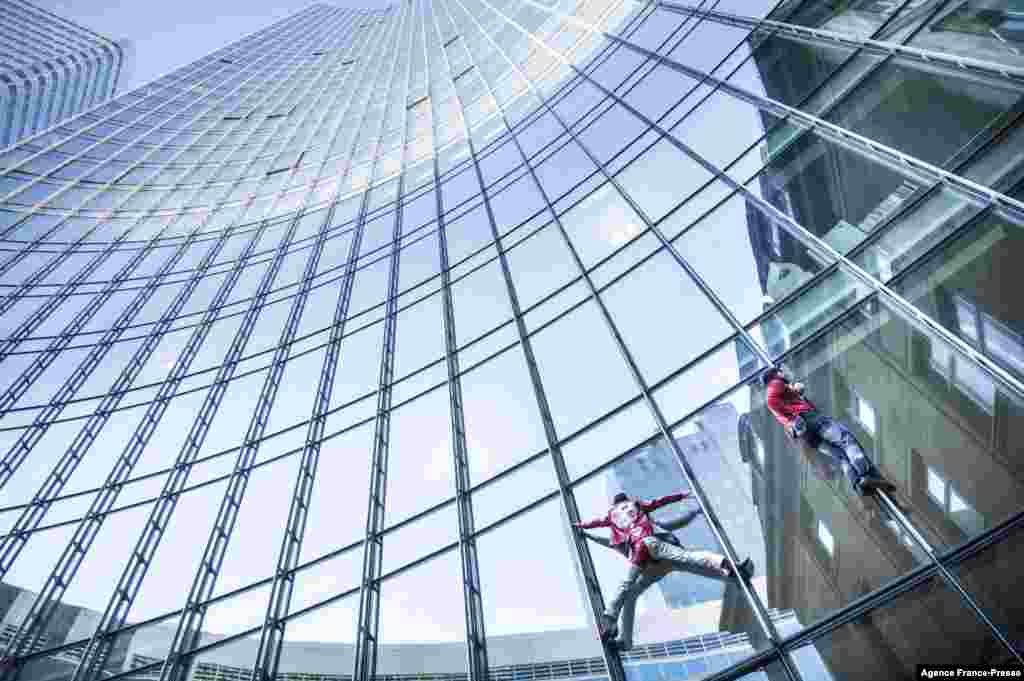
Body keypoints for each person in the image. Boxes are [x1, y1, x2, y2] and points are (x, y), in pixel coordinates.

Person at [574, 492, 753, 649]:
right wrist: (688, 506)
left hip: (652, 563)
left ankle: (624, 639)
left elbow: (607, 540)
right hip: (657, 558)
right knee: (692, 560)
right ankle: (732, 572)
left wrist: (587, 533)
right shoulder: (644, 524)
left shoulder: (627, 532)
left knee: (630, 593)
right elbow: (673, 519)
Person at [760, 367, 894, 496]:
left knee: (840, 455)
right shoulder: (775, 384)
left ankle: (859, 485)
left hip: (808, 436)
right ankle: (865, 474)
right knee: (845, 440)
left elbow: (783, 412)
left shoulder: (779, 406)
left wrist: (793, 409)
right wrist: (796, 395)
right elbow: (772, 400)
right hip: (810, 419)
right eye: (781, 372)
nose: (784, 374)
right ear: (776, 374)